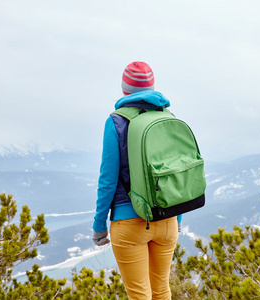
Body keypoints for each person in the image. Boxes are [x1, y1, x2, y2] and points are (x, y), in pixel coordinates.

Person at [92, 61, 181, 300]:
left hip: (129, 222)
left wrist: (99, 225)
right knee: (162, 291)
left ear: (124, 90)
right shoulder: (168, 117)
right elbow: (175, 171)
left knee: (139, 295)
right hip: (167, 219)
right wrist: (177, 217)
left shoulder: (116, 121)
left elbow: (108, 180)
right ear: (151, 88)